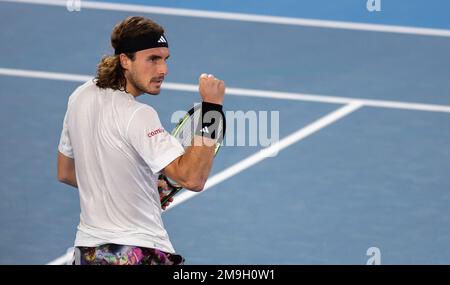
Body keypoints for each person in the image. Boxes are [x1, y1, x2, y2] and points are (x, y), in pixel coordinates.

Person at [57, 16, 225, 265]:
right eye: (153, 59)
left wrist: (135, 190)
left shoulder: (80, 96)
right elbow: (192, 177)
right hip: (140, 252)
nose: (163, 70)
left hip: (88, 253)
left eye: (165, 59)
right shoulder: (139, 114)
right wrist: (212, 108)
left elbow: (66, 172)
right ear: (125, 60)